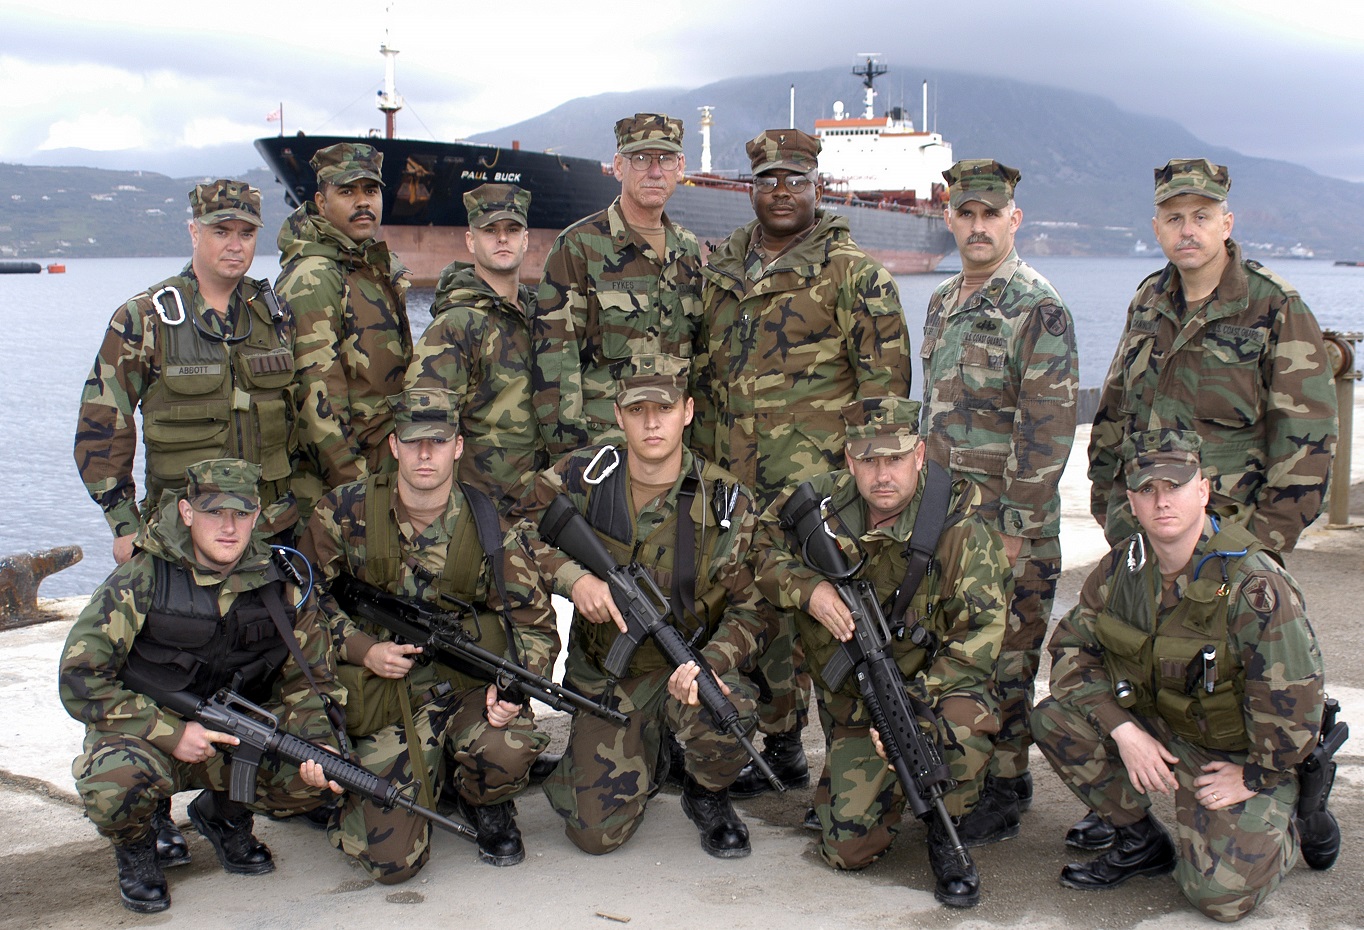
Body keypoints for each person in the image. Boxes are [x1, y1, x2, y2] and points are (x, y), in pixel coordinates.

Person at [1032, 429, 1328, 922]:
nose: (1161, 501)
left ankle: (1295, 812)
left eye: (1174, 486)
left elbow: (1296, 701)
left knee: (1219, 898)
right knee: (1054, 719)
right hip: (1161, 726)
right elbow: (1069, 653)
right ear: (1131, 500)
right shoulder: (1123, 568)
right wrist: (1124, 731)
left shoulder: (1253, 583)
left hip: (1239, 751)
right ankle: (1141, 841)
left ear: (1203, 490)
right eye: (1147, 490)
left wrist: (1257, 774)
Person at [697, 128, 913, 796]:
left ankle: (851, 755)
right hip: (732, 485)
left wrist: (865, 491)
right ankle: (777, 743)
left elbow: (885, 400)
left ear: (817, 187)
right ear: (752, 188)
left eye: (796, 180)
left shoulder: (856, 277)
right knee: (745, 612)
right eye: (769, 181)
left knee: (828, 621)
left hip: (815, 493)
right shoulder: (720, 271)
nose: (782, 192)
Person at [753, 397, 1009, 908]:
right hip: (855, 695)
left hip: (935, 692)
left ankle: (946, 828)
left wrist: (920, 702)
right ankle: (876, 791)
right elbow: (757, 544)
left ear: (919, 455)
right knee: (847, 848)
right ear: (849, 461)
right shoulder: (819, 502)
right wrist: (809, 589)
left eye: (894, 459)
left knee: (957, 730)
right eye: (869, 461)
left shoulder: (958, 526)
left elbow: (982, 631)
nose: (882, 474)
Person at [59, 459, 341, 913]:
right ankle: (138, 846)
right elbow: (80, 677)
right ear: (187, 512)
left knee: (320, 775)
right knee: (113, 781)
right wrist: (171, 732)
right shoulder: (142, 578)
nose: (229, 528)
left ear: (258, 514)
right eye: (214, 513)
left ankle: (225, 816)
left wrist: (319, 743)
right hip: (149, 737)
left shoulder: (282, 583)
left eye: (242, 513)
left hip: (234, 739)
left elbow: (310, 682)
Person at [300, 387, 556, 882]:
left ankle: (483, 798)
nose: (424, 455)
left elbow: (533, 622)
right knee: (392, 864)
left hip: (464, 693)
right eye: (413, 442)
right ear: (394, 445)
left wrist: (515, 689)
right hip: (383, 698)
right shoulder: (344, 512)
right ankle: (413, 786)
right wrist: (363, 649)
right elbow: (305, 600)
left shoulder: (489, 526)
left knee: (511, 745)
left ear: (457, 447)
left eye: (437, 442)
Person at [519, 355, 768, 859]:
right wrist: (575, 578)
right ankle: (646, 754)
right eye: (638, 410)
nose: (652, 422)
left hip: (686, 667)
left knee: (731, 717)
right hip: (609, 677)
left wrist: (712, 665)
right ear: (618, 415)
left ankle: (706, 794)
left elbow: (753, 608)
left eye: (665, 407)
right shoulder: (585, 474)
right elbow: (514, 530)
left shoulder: (726, 502)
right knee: (594, 835)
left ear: (688, 411)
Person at [919, 159, 1078, 844]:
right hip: (949, 524)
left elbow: (1046, 430)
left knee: (1010, 658)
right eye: (966, 213)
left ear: (1014, 220)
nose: (977, 226)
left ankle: (1007, 786)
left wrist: (1012, 531)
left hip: (1009, 528)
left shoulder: (1036, 306)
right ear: (950, 218)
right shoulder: (943, 302)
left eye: (991, 215)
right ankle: (966, 774)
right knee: (960, 653)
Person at [1089, 158, 1336, 554]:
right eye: (1174, 219)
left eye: (1201, 216)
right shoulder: (1147, 302)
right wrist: (1111, 507)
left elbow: (1308, 442)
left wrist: (1259, 545)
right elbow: (1113, 415)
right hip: (1141, 533)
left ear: (1227, 224)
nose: (1187, 231)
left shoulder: (1274, 306)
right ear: (1157, 230)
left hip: (1231, 538)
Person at [75, 180, 298, 563]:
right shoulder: (145, 318)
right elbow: (103, 424)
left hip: (269, 528)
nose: (235, 244)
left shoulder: (274, 316)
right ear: (194, 232)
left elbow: (300, 420)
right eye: (221, 231)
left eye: (247, 233)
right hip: (178, 532)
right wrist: (125, 525)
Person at [532, 113, 704, 460]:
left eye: (666, 159)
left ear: (680, 166)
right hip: (604, 450)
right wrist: (574, 463)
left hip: (674, 453)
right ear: (618, 167)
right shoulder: (579, 246)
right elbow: (555, 368)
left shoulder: (688, 250)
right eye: (640, 159)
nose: (655, 172)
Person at [276, 142, 412, 522]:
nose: (363, 202)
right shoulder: (314, 276)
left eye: (371, 191)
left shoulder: (367, 266)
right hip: (338, 495)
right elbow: (316, 403)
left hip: (381, 475)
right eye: (347, 192)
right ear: (321, 202)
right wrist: (360, 492)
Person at [406, 183, 545, 513]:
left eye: (512, 229)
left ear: (526, 239)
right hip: (481, 509)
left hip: (542, 501)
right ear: (471, 240)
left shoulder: (543, 318)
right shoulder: (455, 325)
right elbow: (425, 431)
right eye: (489, 230)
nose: (502, 239)